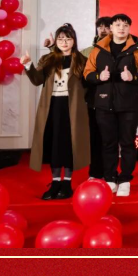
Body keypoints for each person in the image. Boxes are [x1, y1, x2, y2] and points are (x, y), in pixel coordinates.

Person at [83, 14, 138, 197]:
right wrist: (99, 77)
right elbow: (87, 73)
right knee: (108, 144)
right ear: (111, 28)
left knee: (128, 144)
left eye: (125, 25)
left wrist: (133, 77)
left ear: (129, 28)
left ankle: (125, 180)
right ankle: (110, 178)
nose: (121, 28)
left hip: (129, 105)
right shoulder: (98, 50)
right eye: (118, 25)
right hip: (104, 105)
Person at [21, 24, 90, 200]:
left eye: (68, 39)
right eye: (60, 39)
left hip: (73, 108)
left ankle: (67, 184)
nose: (64, 42)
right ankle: (55, 183)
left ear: (74, 41)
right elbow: (37, 80)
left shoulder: (82, 60)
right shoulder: (48, 59)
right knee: (54, 144)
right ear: (56, 41)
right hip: (52, 106)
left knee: (69, 145)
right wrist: (28, 65)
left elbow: (88, 85)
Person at [46, 16, 111, 180]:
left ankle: (112, 175)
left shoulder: (118, 50)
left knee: (111, 140)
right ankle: (96, 173)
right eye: (100, 27)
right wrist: (53, 48)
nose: (103, 30)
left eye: (107, 27)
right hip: (91, 101)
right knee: (94, 138)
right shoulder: (86, 52)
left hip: (113, 100)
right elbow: (67, 61)